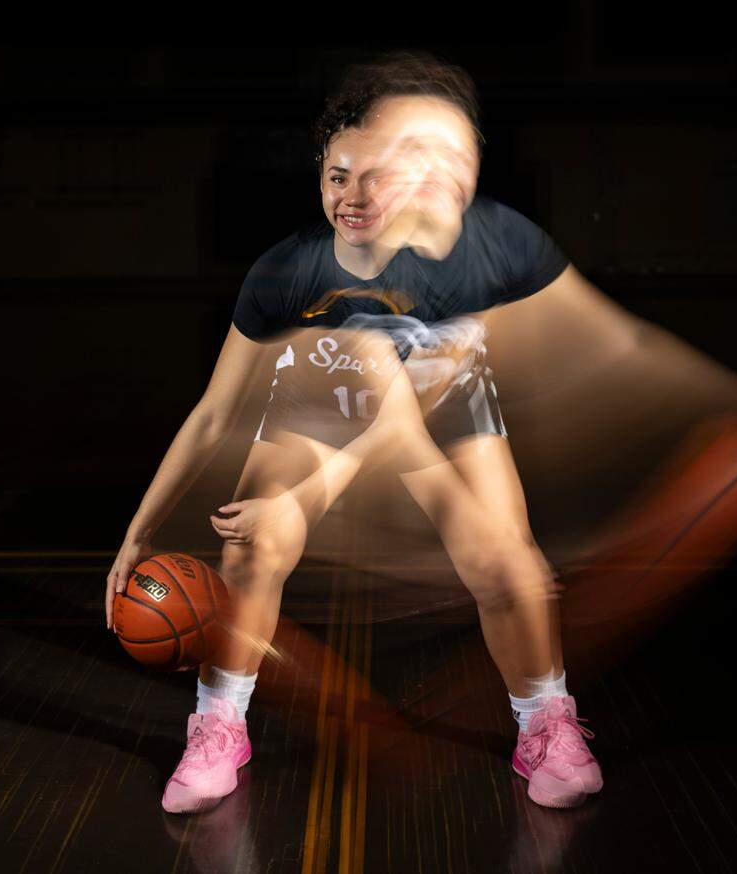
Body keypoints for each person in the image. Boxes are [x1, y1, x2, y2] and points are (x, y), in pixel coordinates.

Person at [105, 51, 629, 813]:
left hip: (438, 412)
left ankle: (544, 725)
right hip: (316, 404)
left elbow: (397, 434)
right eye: (337, 175)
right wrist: (138, 531)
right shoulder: (286, 272)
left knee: (506, 562)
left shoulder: (459, 258)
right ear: (319, 178)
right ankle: (217, 728)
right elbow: (215, 412)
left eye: (374, 175)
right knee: (251, 546)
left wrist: (307, 495)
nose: (353, 194)